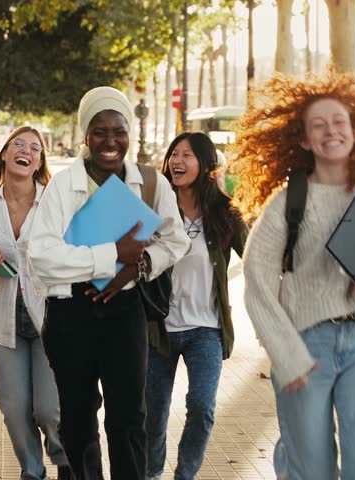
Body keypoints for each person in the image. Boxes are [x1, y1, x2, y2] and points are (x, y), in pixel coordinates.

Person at [228, 69, 355, 479]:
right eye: (319, 125)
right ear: (304, 139)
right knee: (311, 470)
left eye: (339, 121)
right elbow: (257, 286)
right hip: (303, 347)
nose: (331, 131)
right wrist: (286, 355)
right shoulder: (287, 203)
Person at [28, 86, 189, 480]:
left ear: (129, 133)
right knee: (79, 422)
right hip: (70, 313)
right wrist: (112, 253)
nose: (110, 141)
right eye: (99, 131)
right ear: (85, 135)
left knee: (129, 418)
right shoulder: (63, 187)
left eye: (119, 131)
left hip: (124, 313)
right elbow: (41, 256)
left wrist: (138, 266)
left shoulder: (151, 184)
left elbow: (176, 240)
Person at [0, 126, 72, 480]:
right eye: (19, 144)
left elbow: (74, 252)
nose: (26, 150)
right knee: (13, 409)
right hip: (4, 321)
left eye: (35, 148)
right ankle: (32, 470)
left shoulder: (53, 202)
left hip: (51, 319)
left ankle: (65, 460)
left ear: (39, 161)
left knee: (49, 410)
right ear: (6, 153)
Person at [145, 132, 247, 480]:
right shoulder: (155, 208)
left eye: (187, 155)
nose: (177, 160)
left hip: (206, 329)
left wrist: (228, 197)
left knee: (202, 407)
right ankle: (152, 473)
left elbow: (254, 253)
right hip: (159, 328)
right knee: (154, 414)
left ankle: (184, 475)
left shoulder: (222, 214)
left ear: (205, 164)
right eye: (174, 154)